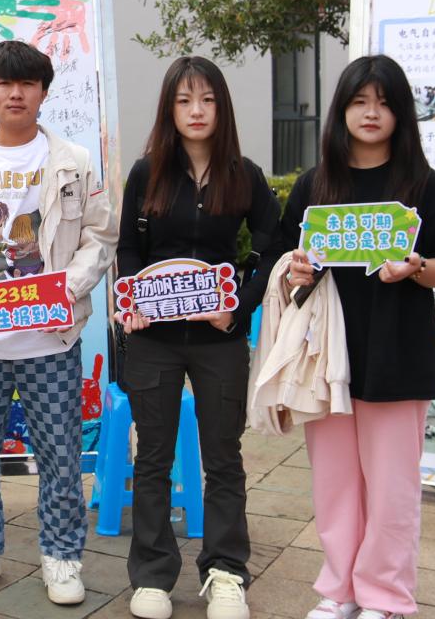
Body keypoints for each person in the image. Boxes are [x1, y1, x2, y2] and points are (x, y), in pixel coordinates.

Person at [0, 40, 117, 606]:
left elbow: (100, 236)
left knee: (59, 454)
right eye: (4, 84)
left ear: (43, 92)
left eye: (27, 83)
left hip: (51, 336)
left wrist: (67, 289)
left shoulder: (74, 162)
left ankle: (62, 558)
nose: (15, 93)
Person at [283, 55, 435, 619]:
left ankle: (385, 598)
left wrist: (415, 267)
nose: (371, 113)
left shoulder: (423, 186)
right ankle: (340, 590)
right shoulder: (316, 184)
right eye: (360, 101)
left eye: (384, 103)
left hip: (399, 354)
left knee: (391, 488)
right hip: (328, 357)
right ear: (341, 110)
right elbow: (289, 263)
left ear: (401, 113)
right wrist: (295, 270)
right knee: (335, 482)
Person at [117, 56, 281, 619]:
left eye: (207, 100)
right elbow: (128, 250)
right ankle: (152, 577)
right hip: (154, 340)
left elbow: (273, 245)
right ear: (169, 108)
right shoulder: (147, 173)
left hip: (220, 341)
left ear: (221, 107)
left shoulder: (245, 175)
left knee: (224, 458)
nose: (196, 111)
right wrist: (132, 304)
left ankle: (227, 572)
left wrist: (239, 305)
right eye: (184, 100)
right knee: (153, 457)